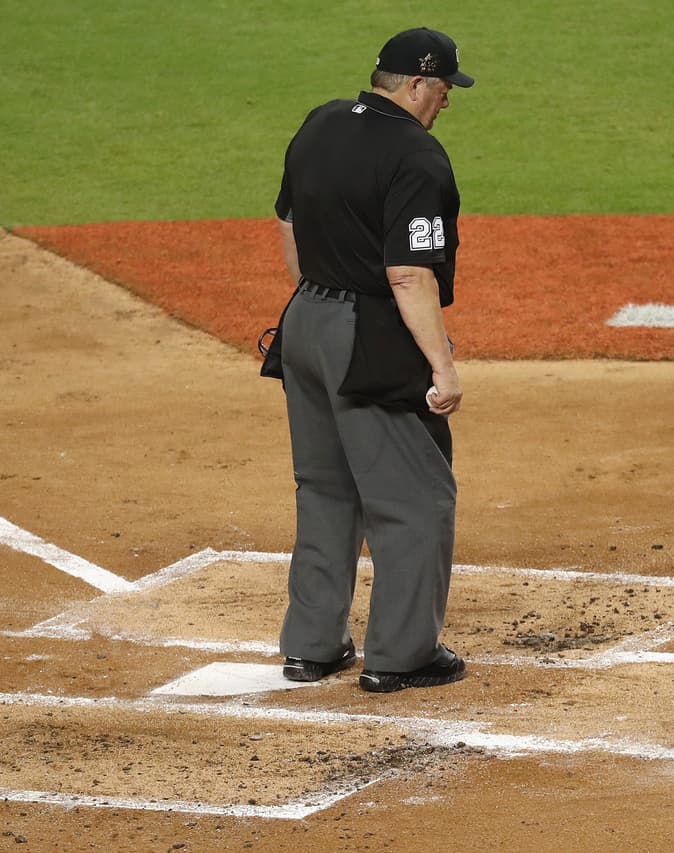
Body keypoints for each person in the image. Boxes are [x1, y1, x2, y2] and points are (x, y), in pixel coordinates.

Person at [268, 27, 475, 692]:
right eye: (444, 90)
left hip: (302, 325)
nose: (446, 102)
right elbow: (410, 274)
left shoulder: (321, 122)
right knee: (418, 497)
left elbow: (287, 222)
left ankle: (312, 645)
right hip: (366, 335)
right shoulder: (417, 156)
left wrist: (315, 300)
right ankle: (403, 652)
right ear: (417, 83)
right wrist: (442, 367)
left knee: (326, 487)